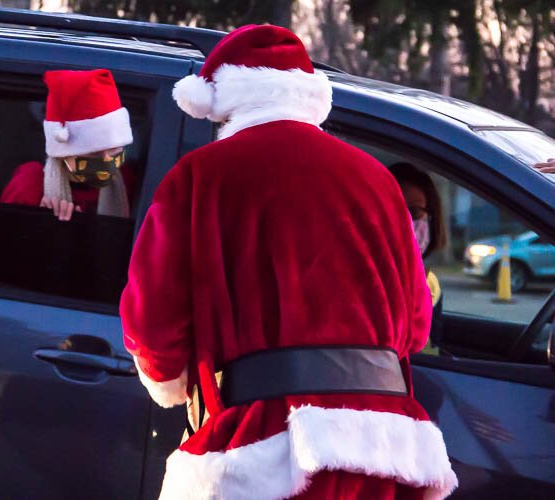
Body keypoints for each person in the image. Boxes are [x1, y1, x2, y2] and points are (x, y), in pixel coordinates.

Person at [120, 24, 457, 499]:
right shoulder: (378, 180)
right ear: (308, 98)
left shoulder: (199, 177)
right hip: (382, 448)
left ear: (220, 101)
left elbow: (152, 322)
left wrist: (171, 384)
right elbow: (416, 326)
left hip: (259, 444)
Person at [0, 69, 134, 221]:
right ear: (64, 154)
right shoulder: (30, 184)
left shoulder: (125, 181)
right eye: (94, 153)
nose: (107, 160)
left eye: (114, 149)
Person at [389, 163, 448, 353]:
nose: (405, 221)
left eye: (414, 212)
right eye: (395, 210)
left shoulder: (431, 284)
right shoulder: (362, 284)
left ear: (432, 217)